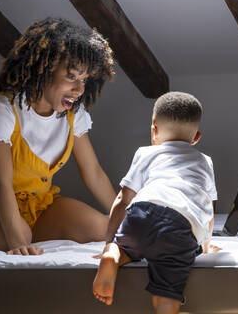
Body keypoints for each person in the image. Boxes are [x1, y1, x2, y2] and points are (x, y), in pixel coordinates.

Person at [0, 17, 117, 256]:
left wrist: (124, 215)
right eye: (72, 77)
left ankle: (24, 229)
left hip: (39, 205)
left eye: (84, 80)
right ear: (45, 69)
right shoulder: (3, 108)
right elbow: (0, 182)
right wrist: (18, 241)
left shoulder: (73, 115)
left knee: (105, 229)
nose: (79, 90)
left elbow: (94, 173)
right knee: (20, 236)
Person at [92, 91, 219, 314]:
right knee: (167, 291)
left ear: (154, 129)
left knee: (130, 246)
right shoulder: (204, 161)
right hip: (178, 227)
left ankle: (113, 254)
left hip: (140, 213)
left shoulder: (145, 153)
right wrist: (206, 243)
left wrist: (109, 239)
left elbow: (122, 200)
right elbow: (208, 207)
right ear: (196, 137)